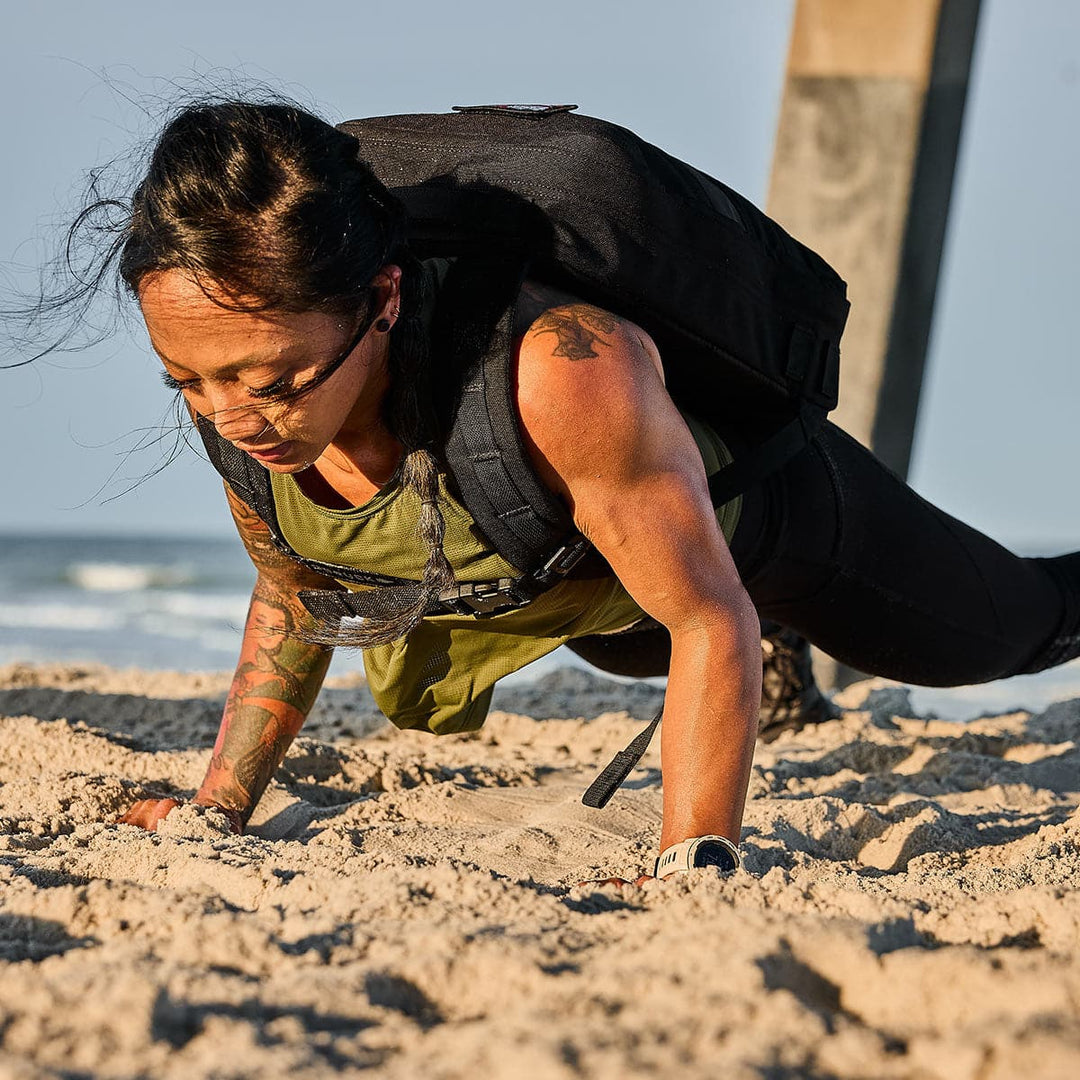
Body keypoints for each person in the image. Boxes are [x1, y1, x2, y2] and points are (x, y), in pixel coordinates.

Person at [36, 100, 1078, 877]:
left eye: (271, 381)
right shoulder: (241, 403)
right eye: (189, 379)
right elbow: (297, 590)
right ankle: (777, 661)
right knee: (635, 651)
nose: (229, 414)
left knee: (1003, 634)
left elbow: (708, 617)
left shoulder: (565, 372)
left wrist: (692, 862)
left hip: (758, 533)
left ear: (382, 298)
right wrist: (218, 804)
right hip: (580, 592)